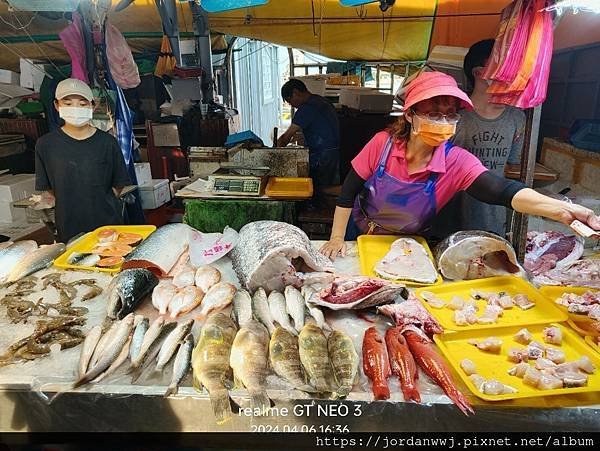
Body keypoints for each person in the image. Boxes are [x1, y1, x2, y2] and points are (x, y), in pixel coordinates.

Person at [320, 71, 600, 259]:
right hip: (362, 234)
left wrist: (565, 210)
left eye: (449, 115)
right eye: (432, 114)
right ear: (410, 115)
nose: (442, 122)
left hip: (411, 244)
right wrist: (335, 239)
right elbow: (348, 192)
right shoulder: (382, 144)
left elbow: (503, 190)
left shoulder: (455, 161)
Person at [35, 78, 131, 243]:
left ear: (93, 106)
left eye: (82, 103)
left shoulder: (108, 142)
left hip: (108, 227)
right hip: (69, 229)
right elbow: (49, 189)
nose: (75, 108)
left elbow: (119, 185)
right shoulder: (45, 144)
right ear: (57, 106)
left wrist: (99, 202)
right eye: (68, 103)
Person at [450, 39, 527, 236]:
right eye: (502, 68)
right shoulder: (453, 116)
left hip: (494, 219)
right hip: (451, 218)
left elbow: (512, 166)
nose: (509, 76)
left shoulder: (517, 118)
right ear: (478, 72)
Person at [277, 79, 340, 189]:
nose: (291, 105)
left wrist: (275, 152)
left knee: (318, 190)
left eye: (289, 100)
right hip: (334, 153)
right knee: (329, 188)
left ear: (296, 92)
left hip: (321, 157)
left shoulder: (307, 108)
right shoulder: (322, 101)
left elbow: (286, 136)